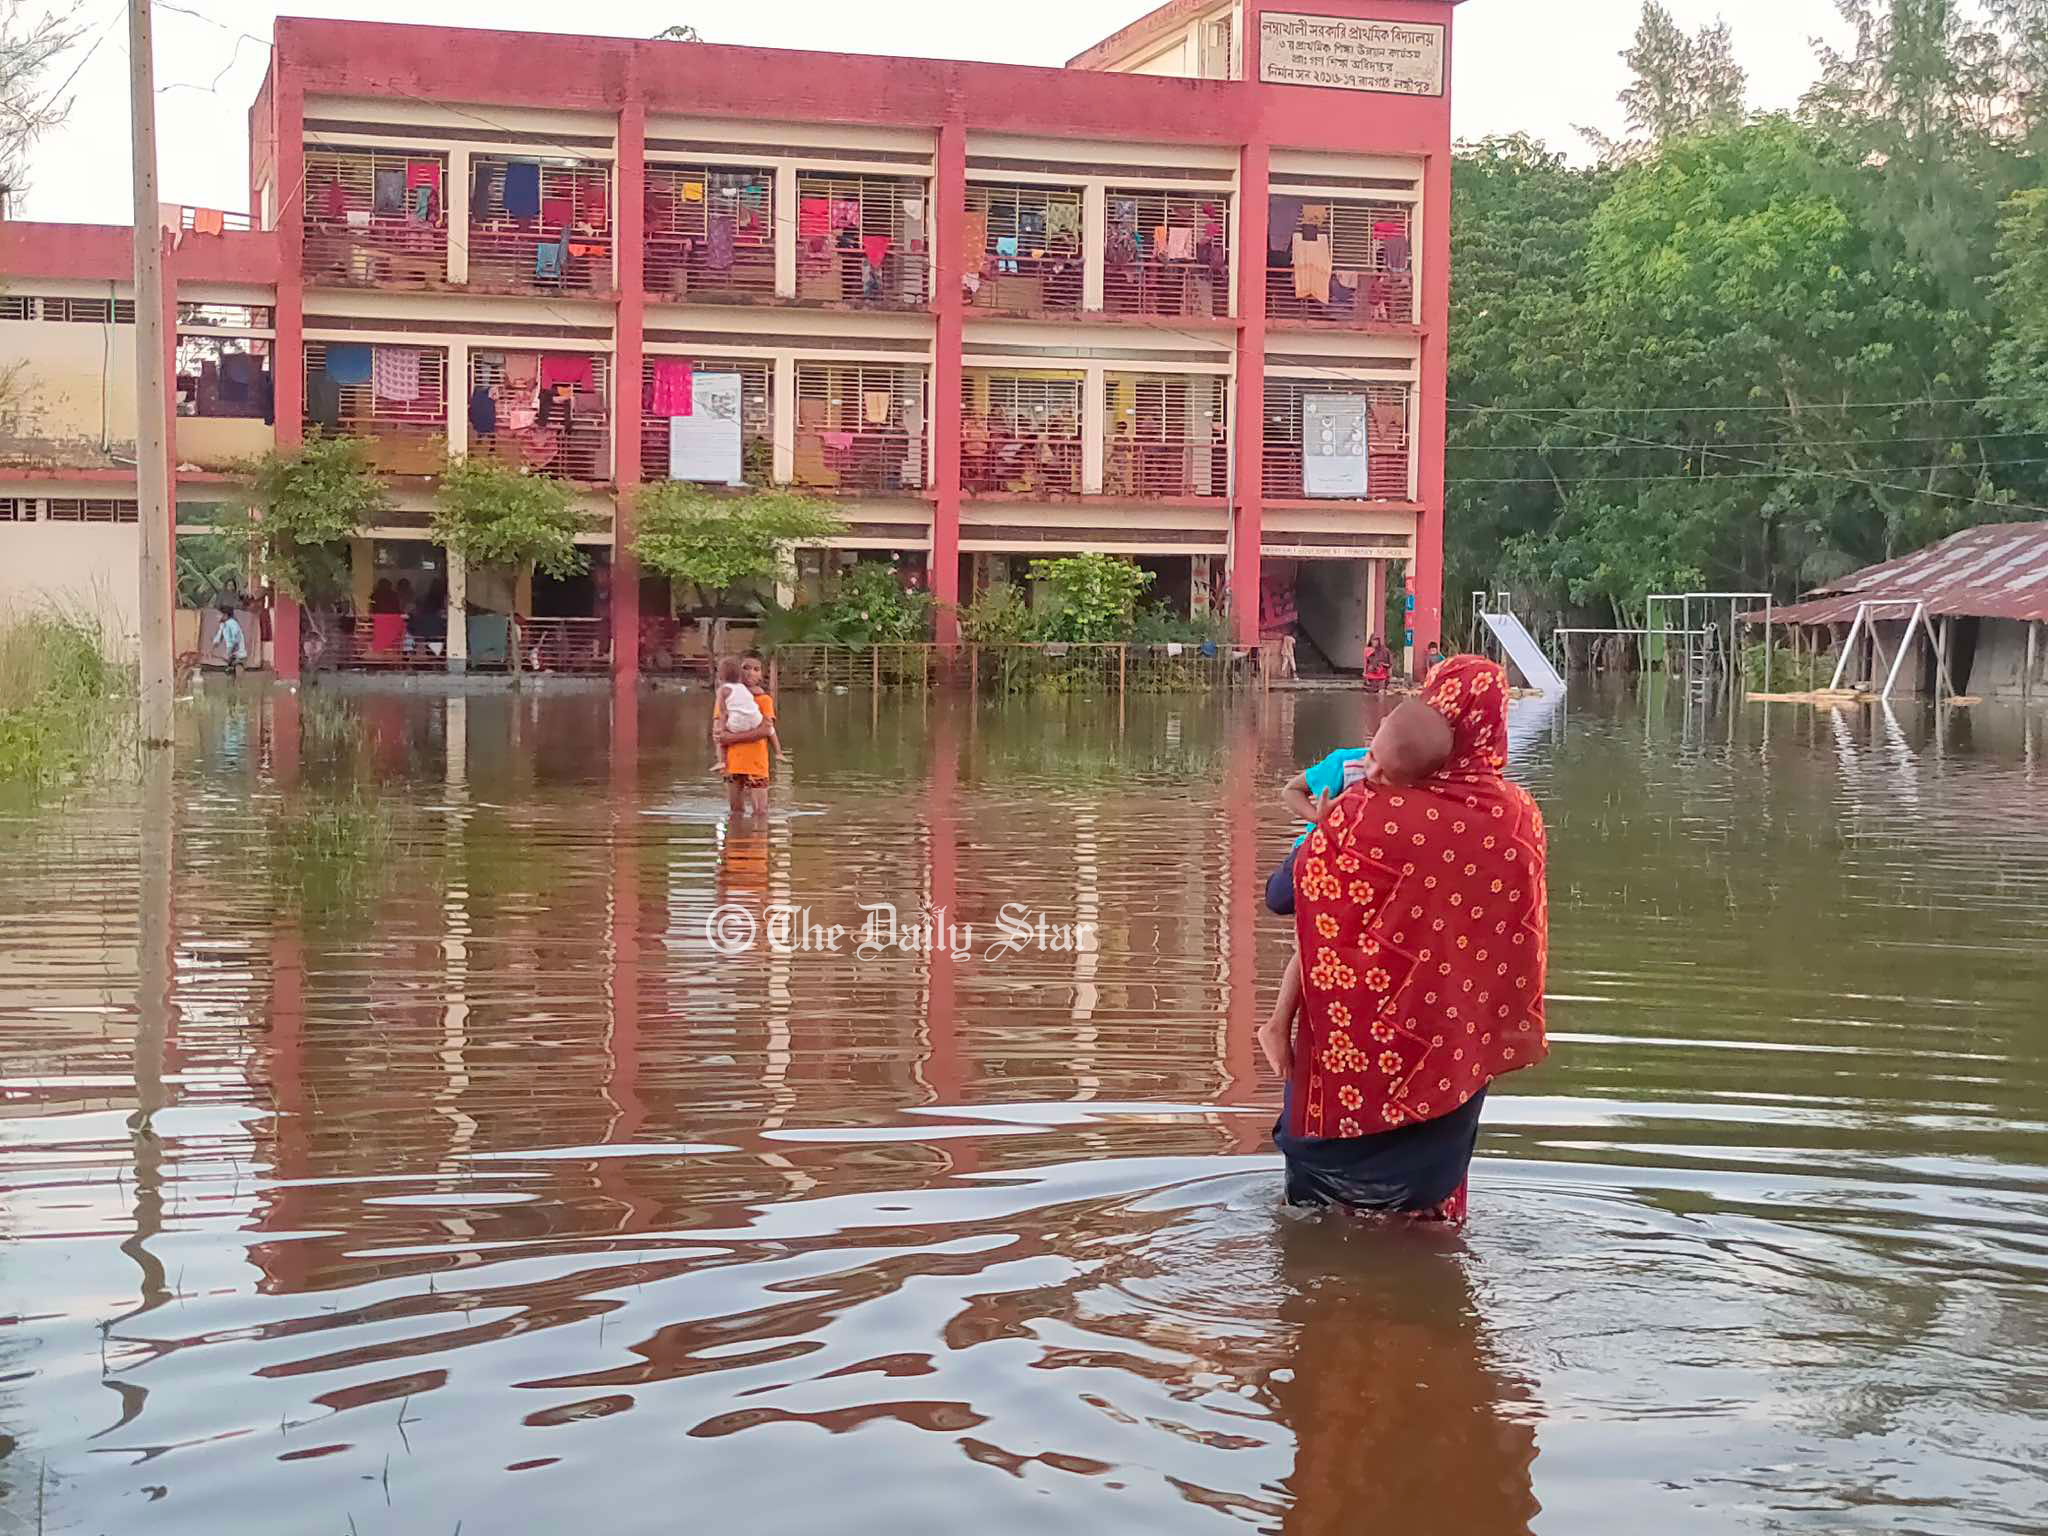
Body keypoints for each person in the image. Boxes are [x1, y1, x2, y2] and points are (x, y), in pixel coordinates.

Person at [1258, 655, 1548, 1223]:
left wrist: (1325, 830)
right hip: (1449, 1059)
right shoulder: (1519, 819)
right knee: (1427, 1225)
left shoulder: (1365, 810)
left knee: (1318, 1228)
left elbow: (1280, 895)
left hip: (1347, 1066)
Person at [1265, 743, 1372, 916]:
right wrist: (1319, 819)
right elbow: (1291, 791)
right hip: (1325, 846)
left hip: (1370, 863)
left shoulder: (1427, 775)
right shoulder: (1347, 764)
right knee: (1280, 896)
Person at [711, 652, 785, 817]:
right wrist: (721, 739)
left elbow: (766, 729)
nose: (751, 672)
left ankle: (756, 839)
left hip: (757, 762)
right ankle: (736, 839)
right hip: (733, 762)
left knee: (760, 812)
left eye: (756, 669)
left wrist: (730, 738)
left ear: (761, 674)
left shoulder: (764, 700)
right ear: (737, 671)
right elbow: (718, 727)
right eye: (746, 668)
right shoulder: (727, 696)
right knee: (735, 812)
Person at [213, 601, 247, 674]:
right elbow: (220, 634)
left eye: (219, 614)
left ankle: (238, 683)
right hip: (231, 652)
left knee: (237, 666)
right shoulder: (223, 624)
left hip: (237, 652)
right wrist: (216, 642)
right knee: (231, 670)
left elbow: (235, 638)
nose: (217, 616)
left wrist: (231, 649)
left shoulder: (232, 624)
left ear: (225, 615)